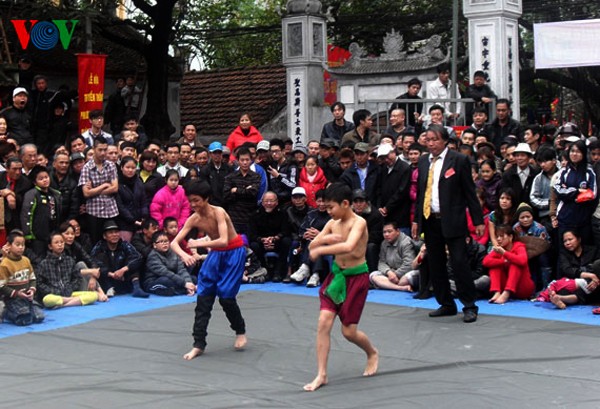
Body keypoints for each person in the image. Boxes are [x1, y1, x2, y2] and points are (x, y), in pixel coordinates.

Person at [303, 183, 378, 392]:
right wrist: (324, 238)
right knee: (323, 322)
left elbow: (348, 246)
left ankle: (371, 352)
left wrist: (321, 250)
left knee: (348, 332)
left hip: (356, 278)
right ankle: (321, 374)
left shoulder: (359, 222)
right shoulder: (331, 223)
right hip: (336, 277)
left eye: (331, 207)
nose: (328, 211)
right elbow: (311, 245)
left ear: (345, 204)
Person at [411, 124, 483, 323]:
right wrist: (416, 220)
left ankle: (469, 305)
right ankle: (446, 303)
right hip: (430, 219)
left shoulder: (458, 160)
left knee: (459, 263)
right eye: (428, 139)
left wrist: (477, 220)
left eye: (435, 139)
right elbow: (421, 194)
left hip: (452, 219)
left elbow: (470, 193)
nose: (431, 143)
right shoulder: (424, 161)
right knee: (435, 264)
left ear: (445, 141)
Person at [171, 182, 248, 360]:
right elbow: (174, 242)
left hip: (233, 253)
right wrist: (184, 255)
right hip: (216, 256)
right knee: (203, 298)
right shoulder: (194, 218)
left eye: (197, 201)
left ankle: (240, 330)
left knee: (226, 297)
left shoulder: (219, 212)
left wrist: (199, 244)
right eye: (190, 201)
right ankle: (198, 343)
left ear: (206, 199)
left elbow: (223, 240)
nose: (193, 205)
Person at [36, 232, 99, 308]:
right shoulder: (44, 263)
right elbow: (40, 283)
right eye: (56, 243)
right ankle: (74, 301)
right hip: (53, 295)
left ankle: (64, 304)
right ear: (50, 246)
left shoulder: (69, 260)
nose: (60, 245)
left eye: (62, 242)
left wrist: (70, 288)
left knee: (93, 295)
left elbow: (77, 277)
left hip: (69, 293)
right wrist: (52, 291)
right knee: (47, 300)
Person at [78, 136, 119, 245]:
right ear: (94, 148)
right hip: (94, 212)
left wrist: (94, 190)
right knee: (95, 243)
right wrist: (104, 185)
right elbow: (86, 193)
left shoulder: (111, 165)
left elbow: (114, 188)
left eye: (105, 150)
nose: (103, 153)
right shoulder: (87, 168)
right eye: (100, 150)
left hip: (111, 210)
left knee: (112, 241)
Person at [90, 220, 147, 298]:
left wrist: (124, 269)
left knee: (133, 261)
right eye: (110, 233)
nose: (114, 235)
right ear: (104, 236)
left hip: (123, 278)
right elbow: (92, 261)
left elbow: (138, 257)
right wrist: (111, 274)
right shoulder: (99, 246)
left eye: (116, 232)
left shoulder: (124, 244)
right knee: (98, 261)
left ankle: (137, 288)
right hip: (108, 279)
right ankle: (109, 289)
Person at [0, 230, 44, 325]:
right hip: (12, 299)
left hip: (26, 297)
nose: (21, 247)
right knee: (24, 320)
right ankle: (7, 312)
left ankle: (24, 309)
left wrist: (32, 290)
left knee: (39, 317)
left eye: (23, 245)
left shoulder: (26, 260)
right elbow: (2, 286)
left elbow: (32, 278)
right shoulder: (5, 264)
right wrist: (17, 293)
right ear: (9, 245)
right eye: (17, 244)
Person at [483, 224, 535, 304]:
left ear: (510, 237)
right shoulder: (499, 249)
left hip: (522, 287)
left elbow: (522, 260)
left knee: (515, 263)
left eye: (502, 236)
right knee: (494, 266)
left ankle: (507, 292)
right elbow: (486, 261)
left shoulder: (519, 246)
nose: (499, 239)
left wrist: (504, 253)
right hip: (504, 286)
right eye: (497, 237)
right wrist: (503, 261)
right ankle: (496, 292)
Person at [21, 165, 63, 257]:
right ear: (34, 182)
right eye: (41, 178)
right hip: (37, 235)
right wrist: (28, 234)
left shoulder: (55, 194)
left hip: (52, 232)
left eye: (46, 177)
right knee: (39, 258)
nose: (45, 180)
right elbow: (26, 215)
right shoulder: (31, 194)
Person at [143, 231, 196, 296]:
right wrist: (184, 284)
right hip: (154, 281)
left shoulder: (173, 252)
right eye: (161, 241)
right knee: (165, 280)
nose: (164, 243)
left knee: (193, 279)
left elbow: (181, 269)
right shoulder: (152, 256)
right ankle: (188, 289)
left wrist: (188, 282)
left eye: (166, 241)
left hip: (173, 278)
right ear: (154, 245)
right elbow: (165, 272)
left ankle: (185, 289)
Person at [369, 221, 417, 291]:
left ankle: (389, 285)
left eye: (389, 231)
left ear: (397, 231)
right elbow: (381, 262)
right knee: (373, 275)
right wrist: (389, 272)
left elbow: (409, 264)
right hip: (391, 273)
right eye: (384, 232)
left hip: (405, 273)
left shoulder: (406, 242)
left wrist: (395, 275)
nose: (386, 234)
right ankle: (401, 288)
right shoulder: (384, 243)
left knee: (406, 279)